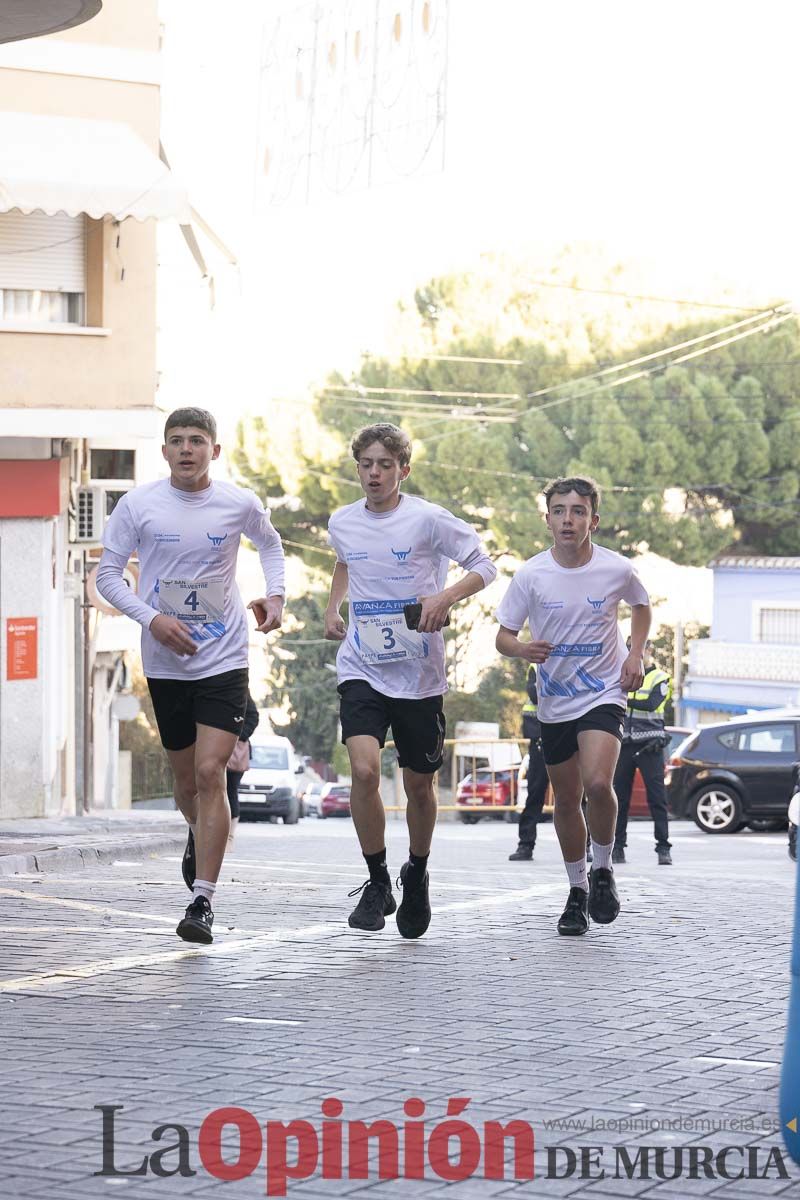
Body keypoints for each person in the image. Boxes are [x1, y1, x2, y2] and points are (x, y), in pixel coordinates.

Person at [96, 407, 285, 944]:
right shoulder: (138, 505)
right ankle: (199, 831)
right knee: (185, 782)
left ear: (215, 451)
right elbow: (108, 576)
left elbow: (270, 544)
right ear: (163, 452)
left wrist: (276, 596)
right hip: (165, 662)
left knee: (209, 772)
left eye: (197, 440)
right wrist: (151, 618)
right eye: (176, 440)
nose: (186, 449)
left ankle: (202, 899)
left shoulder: (238, 503)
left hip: (224, 657)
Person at [324, 422, 496, 938]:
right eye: (366, 464)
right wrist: (334, 608)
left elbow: (484, 566)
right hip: (362, 665)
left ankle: (416, 872)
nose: (374, 473)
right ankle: (377, 881)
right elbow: (343, 562)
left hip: (419, 672)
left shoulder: (427, 520)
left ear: (404, 469)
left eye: (384, 464)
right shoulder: (343, 521)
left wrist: (443, 598)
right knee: (364, 771)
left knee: (420, 786)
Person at [495, 475, 651, 937]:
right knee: (565, 799)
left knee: (598, 783)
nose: (568, 519)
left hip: (603, 690)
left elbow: (641, 607)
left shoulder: (616, 569)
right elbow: (503, 636)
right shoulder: (530, 574)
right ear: (547, 521)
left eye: (578, 511)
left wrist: (636, 653)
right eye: (560, 511)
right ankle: (577, 890)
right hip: (555, 700)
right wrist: (522, 650)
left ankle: (603, 869)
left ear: (593, 521)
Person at [612, 639, 673, 865]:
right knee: (620, 799)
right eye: (628, 649)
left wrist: (621, 692)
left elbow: (650, 703)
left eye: (637, 648)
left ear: (648, 651)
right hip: (625, 743)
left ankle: (663, 848)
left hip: (650, 745)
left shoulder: (660, 678)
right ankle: (618, 847)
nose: (632, 652)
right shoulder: (620, 674)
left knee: (657, 798)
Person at [508, 665, 549, 861]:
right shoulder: (536, 664)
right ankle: (525, 845)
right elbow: (534, 693)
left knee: (576, 796)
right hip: (540, 739)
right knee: (535, 794)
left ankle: (585, 847)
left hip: (568, 735)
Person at [225, 691, 260, 847]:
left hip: (236, 752)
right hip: (211, 748)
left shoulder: (240, 690)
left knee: (230, 791)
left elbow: (253, 717)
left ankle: (229, 838)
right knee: (211, 789)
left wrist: (239, 736)